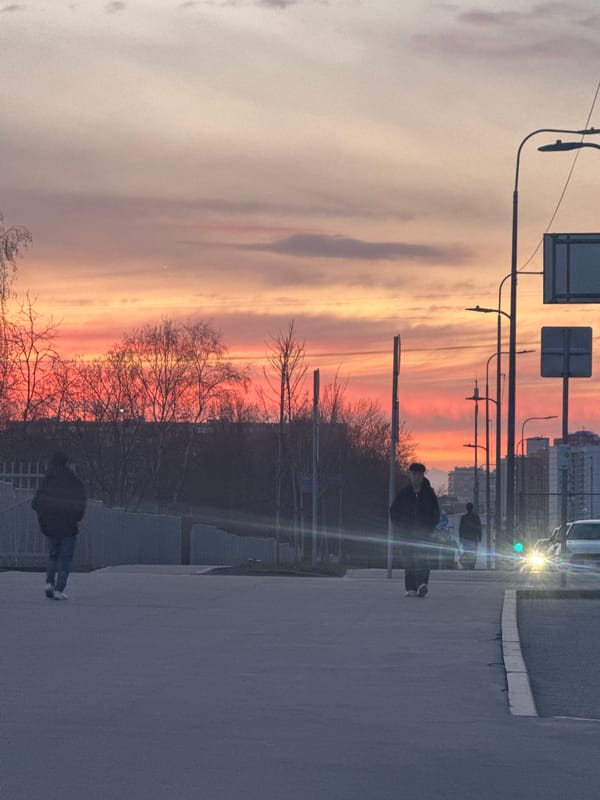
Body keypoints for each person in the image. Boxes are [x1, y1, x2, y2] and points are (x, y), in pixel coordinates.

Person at [32, 452, 87, 600]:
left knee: (53, 555)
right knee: (65, 559)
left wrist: (44, 518)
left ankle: (49, 582)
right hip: (69, 525)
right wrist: (76, 517)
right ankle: (59, 589)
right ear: (67, 463)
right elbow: (81, 502)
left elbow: (36, 503)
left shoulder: (47, 481)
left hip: (50, 525)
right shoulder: (74, 481)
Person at [390, 462, 440, 598]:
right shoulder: (404, 494)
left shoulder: (429, 493)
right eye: (414, 474)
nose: (416, 477)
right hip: (407, 533)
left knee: (423, 558)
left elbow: (436, 512)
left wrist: (430, 527)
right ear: (410, 475)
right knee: (409, 559)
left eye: (419, 474)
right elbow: (394, 512)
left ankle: (422, 584)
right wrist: (401, 527)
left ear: (423, 475)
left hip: (424, 533)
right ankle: (411, 587)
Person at [459, 502, 482, 570]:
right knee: (473, 552)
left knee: (466, 552)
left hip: (466, 538)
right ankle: (472, 565)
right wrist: (480, 537)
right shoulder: (476, 517)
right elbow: (479, 528)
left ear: (466, 508)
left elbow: (461, 529)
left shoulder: (464, 517)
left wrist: (460, 538)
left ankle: (466, 564)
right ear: (472, 508)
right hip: (474, 538)